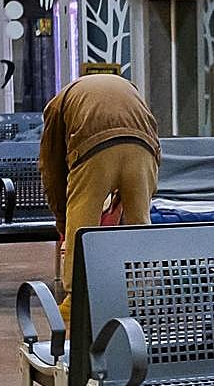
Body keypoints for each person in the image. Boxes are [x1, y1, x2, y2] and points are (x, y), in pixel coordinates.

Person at [39, 74, 160, 321]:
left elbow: (51, 168)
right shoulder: (130, 88)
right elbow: (153, 137)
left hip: (94, 148)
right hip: (144, 148)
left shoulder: (55, 107)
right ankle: (143, 301)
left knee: (80, 229)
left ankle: (74, 307)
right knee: (140, 225)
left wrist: (62, 221)